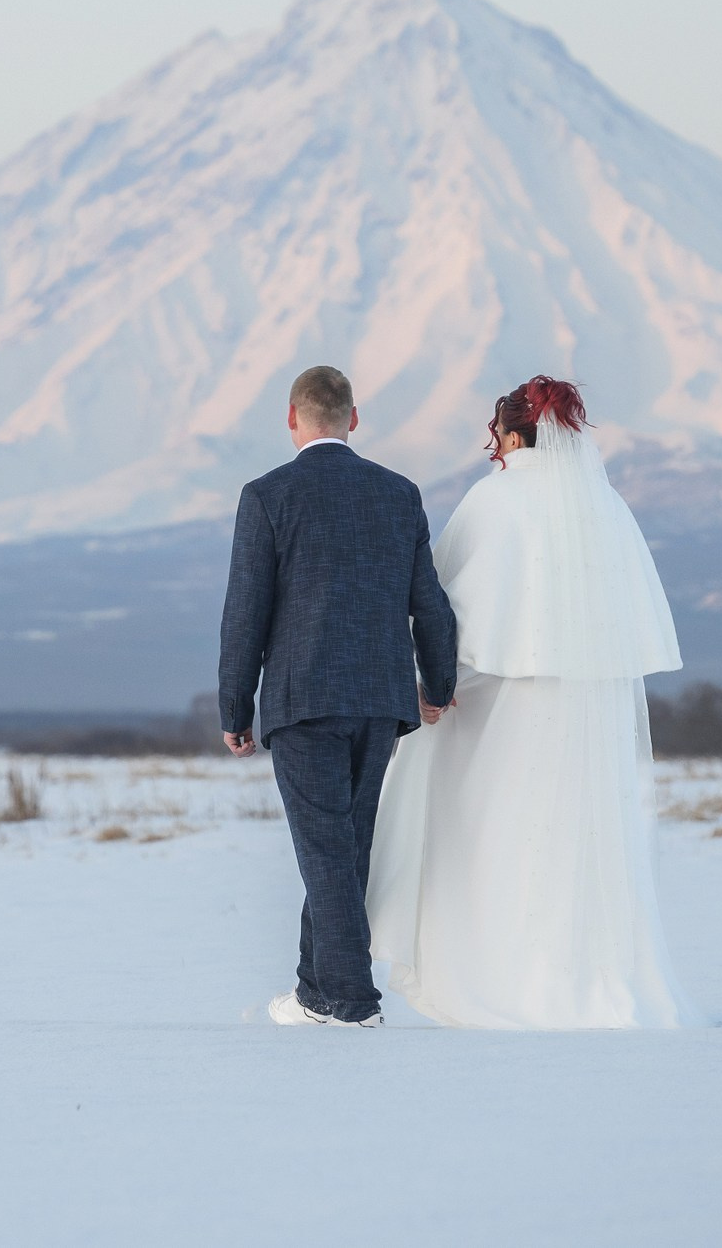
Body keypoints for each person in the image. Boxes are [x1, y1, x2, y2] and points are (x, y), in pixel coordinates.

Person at [365, 375, 702, 1030]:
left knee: (492, 839)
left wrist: (433, 686)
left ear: (511, 434)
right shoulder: (606, 509)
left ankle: (496, 976)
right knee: (569, 844)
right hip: (588, 713)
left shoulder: (495, 499)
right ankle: (581, 976)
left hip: (500, 711)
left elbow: (444, 605)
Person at [218, 365, 458, 1028]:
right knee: (344, 849)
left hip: (302, 700)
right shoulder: (398, 493)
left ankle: (352, 1001)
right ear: (354, 418)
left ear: (292, 420)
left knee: (329, 853)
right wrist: (437, 685)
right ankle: (315, 992)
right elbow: (428, 605)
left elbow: (245, 614)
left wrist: (235, 708)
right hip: (380, 701)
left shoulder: (266, 495)